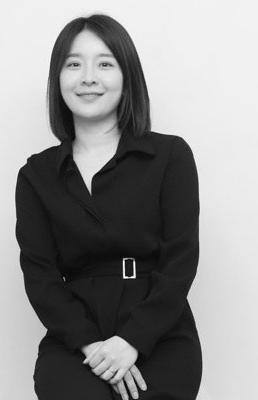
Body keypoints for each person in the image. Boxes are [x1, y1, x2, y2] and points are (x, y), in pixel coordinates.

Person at [15, 13, 202, 400]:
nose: (88, 77)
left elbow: (181, 260)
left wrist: (132, 341)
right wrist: (93, 347)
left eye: (104, 64)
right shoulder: (36, 175)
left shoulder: (170, 156)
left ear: (127, 75)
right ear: (58, 79)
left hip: (159, 330)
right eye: (73, 64)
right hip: (76, 335)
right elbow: (40, 277)